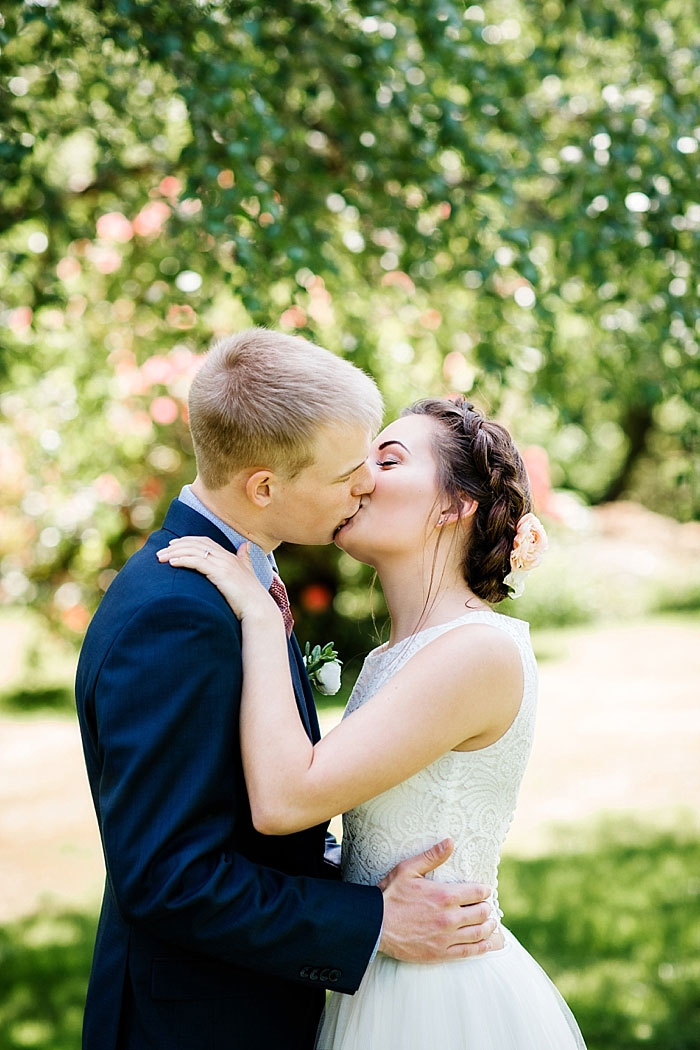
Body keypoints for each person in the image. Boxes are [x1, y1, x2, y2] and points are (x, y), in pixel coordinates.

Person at [75, 331, 498, 1050]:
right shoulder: (174, 614)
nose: (365, 483)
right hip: (195, 1025)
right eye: (346, 473)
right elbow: (167, 878)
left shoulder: (231, 585)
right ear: (264, 486)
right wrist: (371, 922)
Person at [159, 396, 588, 1050]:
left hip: (441, 1002)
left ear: (454, 506)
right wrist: (364, 908)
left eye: (387, 459)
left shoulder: (477, 651)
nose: (360, 475)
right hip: (385, 973)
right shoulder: (398, 654)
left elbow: (284, 799)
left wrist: (258, 614)